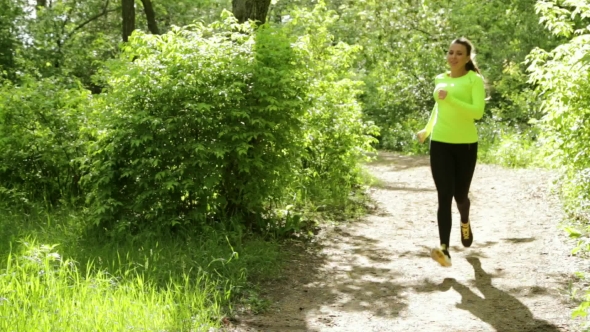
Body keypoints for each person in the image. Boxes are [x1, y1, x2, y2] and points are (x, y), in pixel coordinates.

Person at [416, 37, 486, 267]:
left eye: (458, 53)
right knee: (444, 195)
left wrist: (452, 98)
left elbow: (477, 112)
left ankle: (464, 220)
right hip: (440, 144)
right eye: (450, 52)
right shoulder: (440, 79)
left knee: (460, 196)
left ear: (467, 58)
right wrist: (426, 131)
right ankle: (444, 249)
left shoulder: (474, 80)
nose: (453, 57)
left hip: (465, 145)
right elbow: (438, 107)